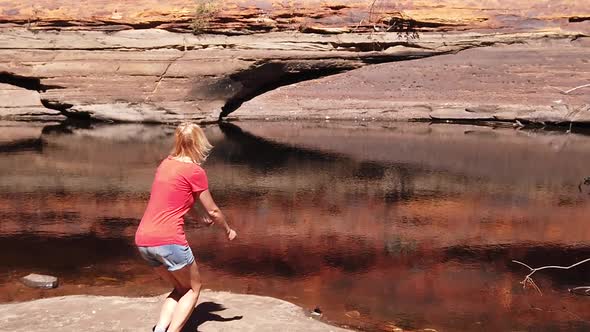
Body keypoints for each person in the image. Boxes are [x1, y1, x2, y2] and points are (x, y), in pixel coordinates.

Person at [135, 122, 237, 332]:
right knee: (193, 289)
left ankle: (160, 330)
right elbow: (214, 211)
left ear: (178, 141)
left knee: (180, 288)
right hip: (168, 241)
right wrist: (228, 230)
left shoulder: (165, 164)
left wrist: (197, 216)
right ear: (199, 143)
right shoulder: (194, 171)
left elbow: (176, 198)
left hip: (143, 240)